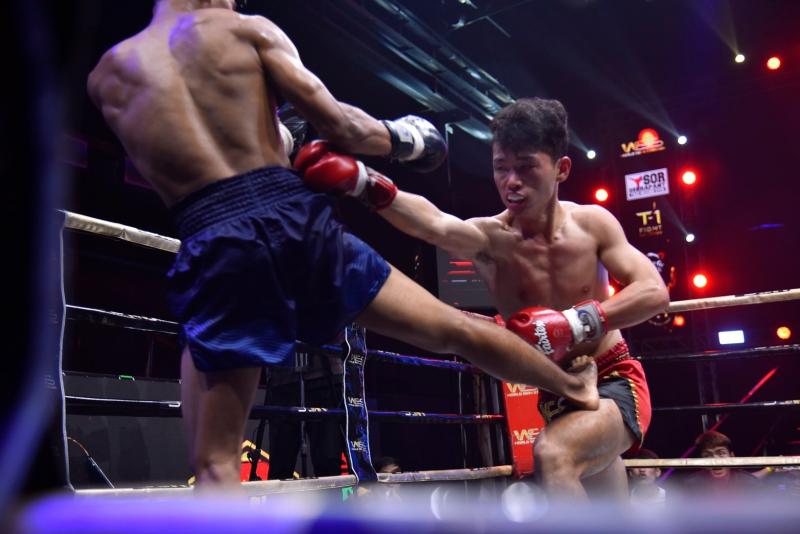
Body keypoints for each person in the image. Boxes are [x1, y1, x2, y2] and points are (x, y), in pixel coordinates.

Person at [87, 1, 598, 488]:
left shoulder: (108, 77)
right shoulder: (246, 30)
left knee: (215, 462)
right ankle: (574, 385)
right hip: (290, 221)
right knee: (454, 329)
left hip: (213, 240)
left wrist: (274, 146)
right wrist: (405, 140)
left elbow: (176, 161)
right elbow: (341, 125)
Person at [296, 97, 669, 500]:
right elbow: (435, 225)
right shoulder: (491, 240)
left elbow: (653, 291)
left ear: (561, 168)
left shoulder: (593, 224)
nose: (511, 181)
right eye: (501, 167)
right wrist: (364, 182)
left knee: (554, 455)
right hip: (556, 391)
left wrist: (574, 323)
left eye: (526, 167)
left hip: (613, 377)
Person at [683, 431, 761, 497]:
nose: (715, 461)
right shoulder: (690, 485)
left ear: (732, 456)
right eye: (707, 455)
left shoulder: (749, 483)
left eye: (721, 453)